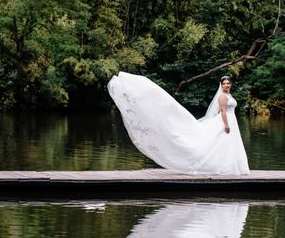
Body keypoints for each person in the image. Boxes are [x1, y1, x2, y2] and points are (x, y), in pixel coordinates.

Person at [107, 72, 250, 175]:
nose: (226, 85)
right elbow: (223, 112)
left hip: (232, 120)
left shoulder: (229, 95)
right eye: (224, 84)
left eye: (228, 83)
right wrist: (225, 125)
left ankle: (230, 166)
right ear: (221, 85)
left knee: (227, 144)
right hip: (225, 121)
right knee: (220, 142)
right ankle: (221, 166)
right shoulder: (222, 97)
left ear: (230, 84)